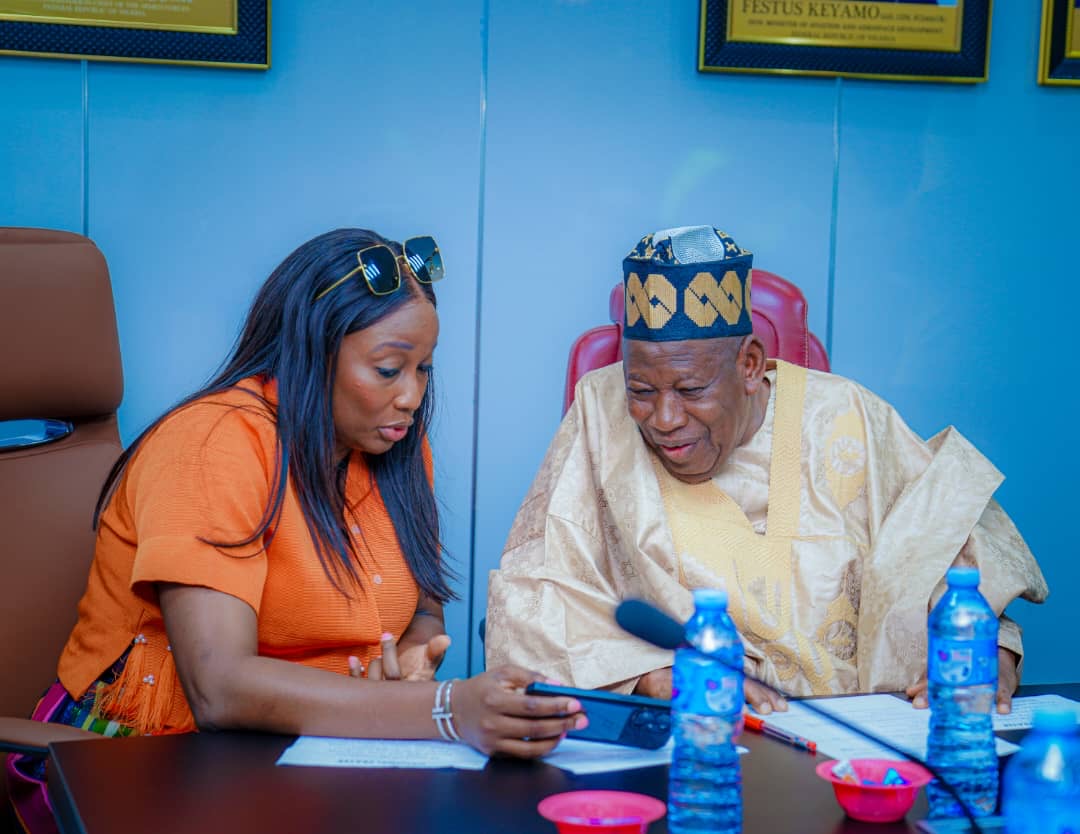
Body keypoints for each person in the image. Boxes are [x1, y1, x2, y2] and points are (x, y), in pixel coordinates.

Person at [9, 228, 585, 834]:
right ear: (313, 350)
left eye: (423, 370)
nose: (411, 397)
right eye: (389, 369)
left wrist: (416, 658)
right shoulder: (211, 443)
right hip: (138, 759)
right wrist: (445, 708)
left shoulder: (393, 448)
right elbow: (220, 687)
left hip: (302, 759)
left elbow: (424, 614)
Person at [485, 224, 1048, 716]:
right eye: (641, 389)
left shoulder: (849, 415)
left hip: (869, 736)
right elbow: (531, 595)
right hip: (703, 738)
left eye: (691, 389)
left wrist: (992, 656)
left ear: (750, 365)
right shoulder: (601, 413)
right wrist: (647, 675)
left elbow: (964, 565)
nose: (663, 417)